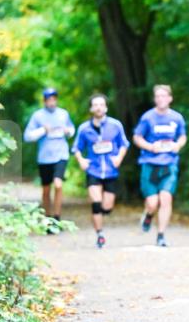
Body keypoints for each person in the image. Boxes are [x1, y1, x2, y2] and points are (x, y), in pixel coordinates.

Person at [72, 94, 130, 249]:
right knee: (96, 203)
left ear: (106, 108)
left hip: (111, 171)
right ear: (91, 109)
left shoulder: (115, 125)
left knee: (107, 207)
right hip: (94, 170)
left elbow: (124, 144)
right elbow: (76, 148)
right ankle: (100, 235)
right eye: (95, 105)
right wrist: (81, 160)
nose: (98, 108)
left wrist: (119, 158)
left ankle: (101, 215)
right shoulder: (84, 128)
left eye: (101, 105)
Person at [132, 84, 187, 247]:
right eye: (158, 96)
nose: (161, 99)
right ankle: (149, 214)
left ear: (170, 98)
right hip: (150, 164)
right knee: (152, 203)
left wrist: (178, 145)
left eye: (164, 96)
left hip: (169, 164)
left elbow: (182, 136)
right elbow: (137, 137)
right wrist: (150, 147)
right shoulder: (148, 117)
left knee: (166, 199)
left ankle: (161, 235)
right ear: (155, 99)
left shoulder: (177, 118)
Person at [23, 87, 75, 224]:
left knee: (58, 184)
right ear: (44, 101)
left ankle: (57, 218)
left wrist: (68, 131)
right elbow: (27, 136)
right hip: (45, 158)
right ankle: (48, 218)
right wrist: (42, 130)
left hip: (61, 154)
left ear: (56, 100)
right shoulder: (37, 116)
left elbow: (72, 130)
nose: (52, 102)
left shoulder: (63, 114)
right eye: (49, 100)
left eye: (54, 99)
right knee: (46, 189)